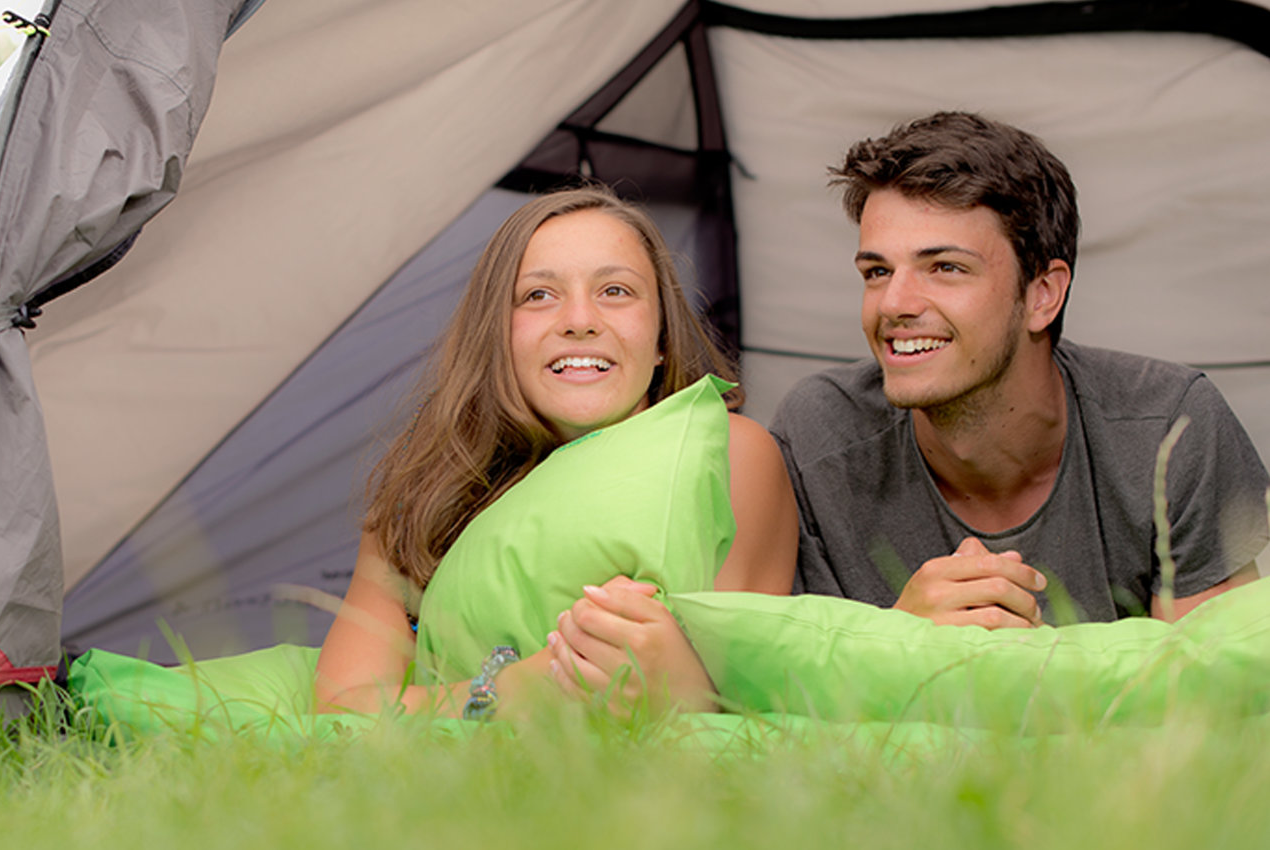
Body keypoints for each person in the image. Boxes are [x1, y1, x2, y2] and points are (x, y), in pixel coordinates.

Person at [769, 111, 1268, 628]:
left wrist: (1032, 667)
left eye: (945, 268)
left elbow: (1212, 691)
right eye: (877, 272)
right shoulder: (817, 436)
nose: (893, 303)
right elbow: (767, 693)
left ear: (1042, 294)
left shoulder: (1170, 427)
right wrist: (900, 640)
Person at [313, 187, 797, 717]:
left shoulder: (730, 455)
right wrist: (518, 689)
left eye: (615, 290)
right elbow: (344, 707)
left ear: (661, 337)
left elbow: (739, 699)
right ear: (497, 334)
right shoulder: (421, 499)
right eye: (539, 295)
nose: (579, 319)